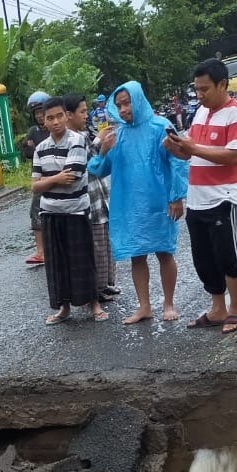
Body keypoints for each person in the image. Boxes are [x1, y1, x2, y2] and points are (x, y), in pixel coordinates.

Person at [162, 59, 237, 334]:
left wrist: (193, 148)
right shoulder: (198, 114)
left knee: (229, 256)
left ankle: (235, 310)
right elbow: (189, 152)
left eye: (205, 89)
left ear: (222, 84)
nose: (199, 95)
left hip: (225, 199)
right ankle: (217, 309)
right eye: (196, 89)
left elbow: (235, 155)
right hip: (197, 199)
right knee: (204, 258)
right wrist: (173, 147)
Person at [88, 81, 188, 326]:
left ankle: (168, 303)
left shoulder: (160, 126)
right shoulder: (117, 134)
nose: (122, 109)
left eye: (127, 103)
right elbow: (98, 170)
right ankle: (144, 306)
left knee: (165, 251)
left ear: (139, 99)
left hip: (159, 202)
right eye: (119, 105)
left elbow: (177, 161)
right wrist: (102, 150)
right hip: (129, 205)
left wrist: (176, 196)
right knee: (137, 256)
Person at [31, 96, 105, 325]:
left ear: (66, 116)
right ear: (44, 121)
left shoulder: (78, 140)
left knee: (83, 259)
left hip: (75, 210)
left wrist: (48, 180)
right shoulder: (41, 148)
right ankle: (63, 308)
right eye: (49, 118)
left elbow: (72, 177)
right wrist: (56, 179)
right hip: (50, 213)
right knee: (57, 263)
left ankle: (94, 304)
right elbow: (35, 186)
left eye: (59, 116)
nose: (55, 122)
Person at [69, 94, 120, 305]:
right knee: (97, 245)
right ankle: (98, 288)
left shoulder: (84, 133)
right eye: (82, 111)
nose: (85, 115)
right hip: (90, 199)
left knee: (107, 242)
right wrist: (101, 143)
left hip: (102, 196)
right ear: (69, 115)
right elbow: (87, 163)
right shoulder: (72, 139)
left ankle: (107, 283)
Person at [22, 90, 51, 266]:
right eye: (37, 114)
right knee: (36, 212)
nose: (40, 117)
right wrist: (28, 147)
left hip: (56, 176)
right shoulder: (32, 132)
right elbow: (28, 153)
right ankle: (40, 251)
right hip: (39, 178)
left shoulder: (55, 129)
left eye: (42, 113)